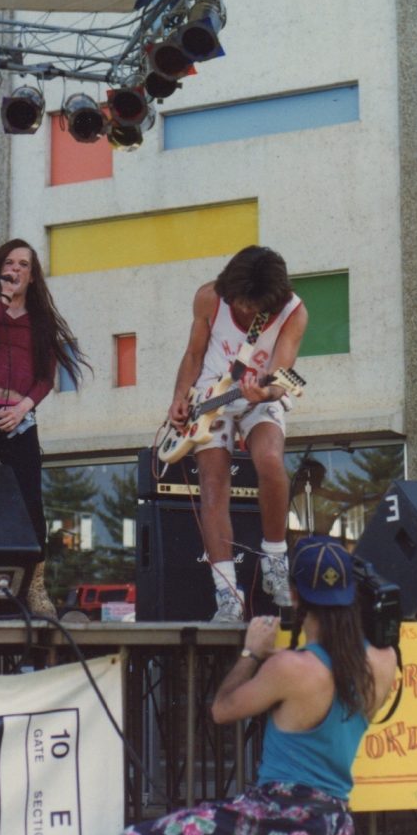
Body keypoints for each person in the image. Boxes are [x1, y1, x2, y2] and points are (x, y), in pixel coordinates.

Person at [105, 535, 398, 835]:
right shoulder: (384, 663)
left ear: (295, 596)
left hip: (280, 817)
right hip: (332, 827)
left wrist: (252, 654)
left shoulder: (291, 668)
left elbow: (222, 710)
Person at [0, 238, 89, 617]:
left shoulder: (39, 320)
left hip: (20, 419)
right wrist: (3, 301)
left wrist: (24, 405)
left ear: (33, 275)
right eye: (11, 263)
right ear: (0, 269)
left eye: (24, 264)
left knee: (30, 504)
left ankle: (34, 588)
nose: (17, 269)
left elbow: (45, 377)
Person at [168, 245, 308, 622]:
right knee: (213, 486)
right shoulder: (209, 297)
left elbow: (282, 376)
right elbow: (194, 355)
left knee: (270, 462)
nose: (244, 311)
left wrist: (266, 392)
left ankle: (275, 560)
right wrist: (179, 397)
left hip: (258, 391)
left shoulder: (294, 312)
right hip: (210, 393)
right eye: (240, 303)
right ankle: (227, 595)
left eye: (252, 305)